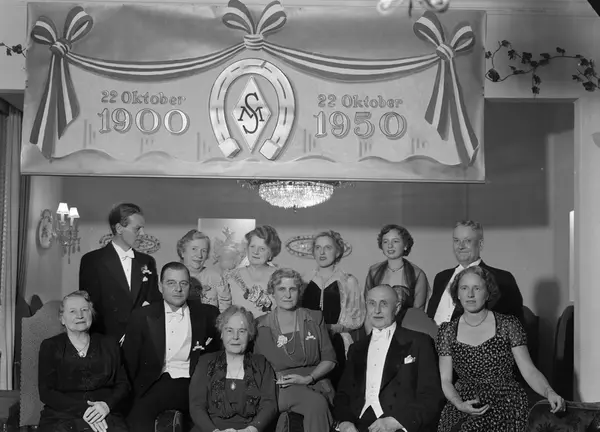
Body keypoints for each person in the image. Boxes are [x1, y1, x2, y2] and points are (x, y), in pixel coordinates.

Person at [436, 266, 565, 432]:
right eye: (464, 288)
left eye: (477, 288)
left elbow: (529, 371)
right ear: (458, 294)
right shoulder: (447, 331)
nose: (470, 294)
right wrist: (459, 404)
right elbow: (446, 380)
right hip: (463, 402)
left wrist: (549, 392)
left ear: (488, 293)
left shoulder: (508, 325)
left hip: (506, 401)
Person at [122, 261, 221, 432]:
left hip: (191, 384)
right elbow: (130, 363)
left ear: (189, 287)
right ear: (160, 287)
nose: (178, 289)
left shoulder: (208, 314)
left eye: (183, 283)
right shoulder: (141, 316)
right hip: (152, 384)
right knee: (136, 422)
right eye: (171, 283)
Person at [333, 285, 444, 432]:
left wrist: (397, 422)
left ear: (396, 308)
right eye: (372, 303)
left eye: (384, 304)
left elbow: (431, 394)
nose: (377, 310)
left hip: (399, 422)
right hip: (359, 423)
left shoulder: (419, 342)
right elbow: (343, 394)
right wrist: (345, 422)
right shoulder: (356, 349)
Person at [254, 268, 337, 432]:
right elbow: (256, 368)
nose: (287, 295)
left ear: (299, 292)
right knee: (315, 403)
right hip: (279, 387)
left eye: (292, 289)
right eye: (281, 289)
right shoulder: (259, 325)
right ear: (272, 292)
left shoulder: (314, 318)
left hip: (314, 382)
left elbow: (330, 359)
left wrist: (309, 378)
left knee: (318, 402)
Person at [38, 291, 129, 432]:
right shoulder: (50, 346)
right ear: (62, 318)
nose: (80, 315)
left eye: (84, 310)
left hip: (104, 412)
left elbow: (123, 385)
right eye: (72, 311)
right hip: (62, 415)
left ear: (91, 314)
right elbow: (46, 392)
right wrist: (85, 410)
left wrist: (106, 405)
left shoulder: (110, 344)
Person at [79, 203, 161, 341]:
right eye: (137, 229)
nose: (143, 234)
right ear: (119, 228)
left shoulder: (147, 262)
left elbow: (154, 300)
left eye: (143, 228)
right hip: (106, 340)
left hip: (141, 338)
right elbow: (89, 306)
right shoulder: (92, 261)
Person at [189, 305, 278, 432]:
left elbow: (269, 404)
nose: (235, 337)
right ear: (221, 334)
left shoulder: (261, 364)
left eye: (242, 331)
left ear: (250, 335)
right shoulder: (205, 362)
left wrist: (251, 429)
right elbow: (196, 406)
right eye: (229, 330)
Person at [427, 220, 524, 326]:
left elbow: (516, 324)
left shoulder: (502, 279)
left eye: (467, 241)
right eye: (456, 241)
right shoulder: (441, 277)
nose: (460, 246)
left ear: (480, 244)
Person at [302, 231, 366, 355]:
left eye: (328, 248)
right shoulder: (304, 280)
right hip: (308, 342)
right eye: (318, 248)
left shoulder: (348, 281)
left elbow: (356, 319)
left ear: (337, 252)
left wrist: (334, 328)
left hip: (337, 343)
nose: (322, 252)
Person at [365, 224, 430, 310]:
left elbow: (418, 311)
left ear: (405, 245)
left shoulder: (417, 274)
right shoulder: (374, 271)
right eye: (385, 241)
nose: (390, 245)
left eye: (395, 241)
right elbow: (368, 305)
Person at [224, 225, 281, 318]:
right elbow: (224, 310)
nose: (255, 252)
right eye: (252, 246)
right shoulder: (231, 276)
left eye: (262, 248)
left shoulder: (280, 277)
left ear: (270, 253)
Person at [177, 229, 232, 311]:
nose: (199, 255)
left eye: (204, 251)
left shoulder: (216, 278)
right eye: (194, 249)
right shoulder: (172, 276)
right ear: (182, 252)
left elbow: (225, 311)